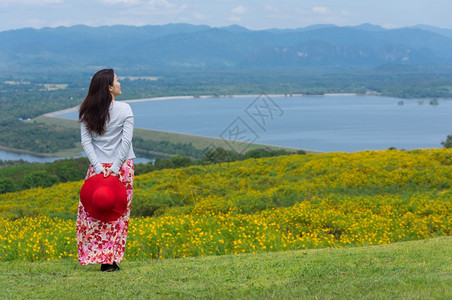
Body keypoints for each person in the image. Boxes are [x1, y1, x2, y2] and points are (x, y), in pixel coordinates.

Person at [76, 68, 135, 272]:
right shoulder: (125, 109)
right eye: (117, 80)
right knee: (117, 214)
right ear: (109, 87)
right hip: (122, 169)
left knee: (94, 213)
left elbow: (86, 142)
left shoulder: (86, 110)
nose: (120, 83)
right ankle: (110, 260)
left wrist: (100, 168)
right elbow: (125, 142)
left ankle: (100, 256)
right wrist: (116, 168)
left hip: (97, 169)